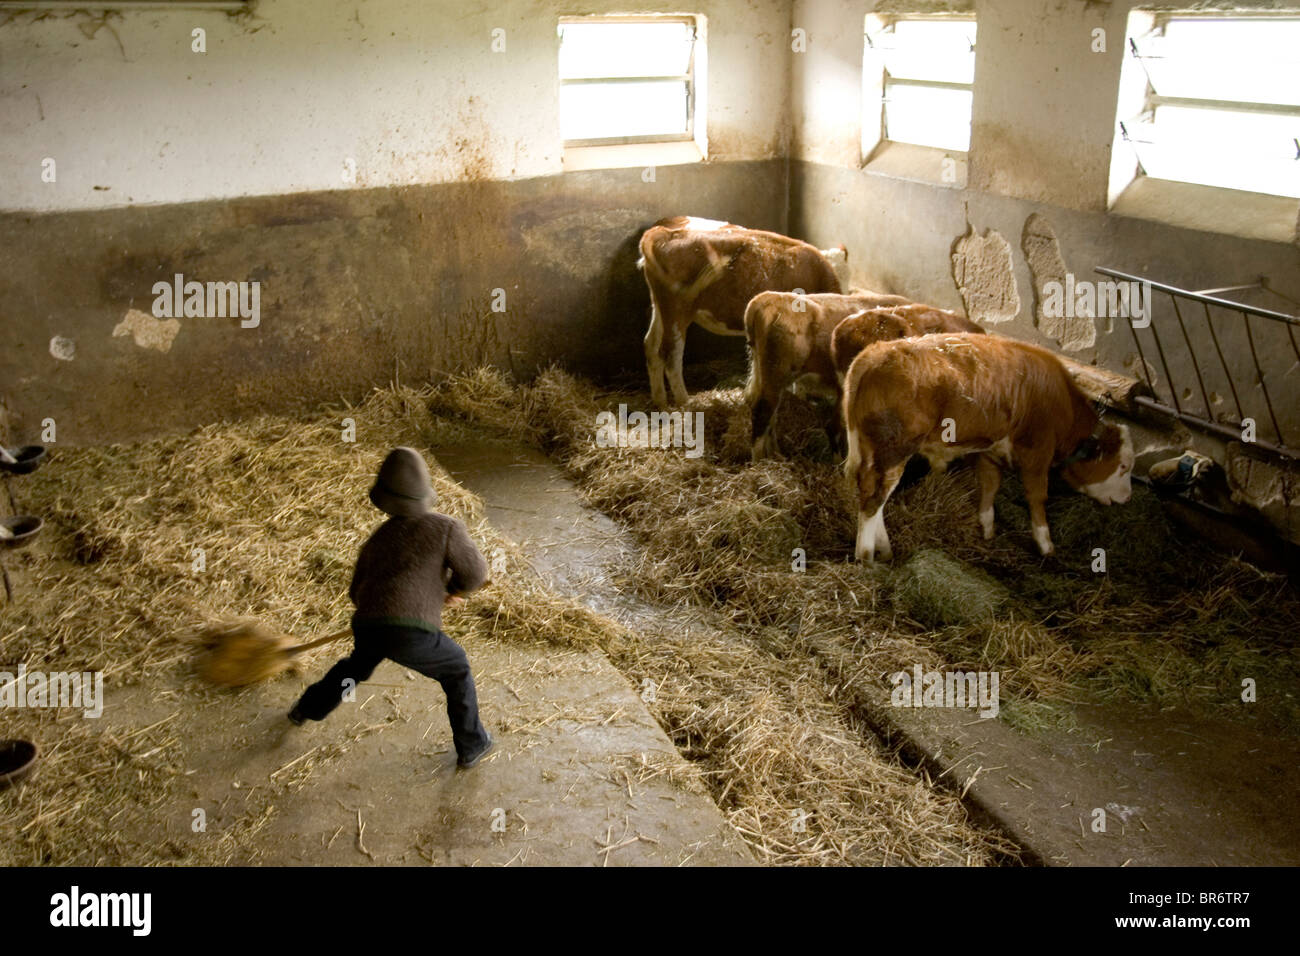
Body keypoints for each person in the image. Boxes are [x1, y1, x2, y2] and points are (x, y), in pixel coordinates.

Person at [289, 446, 494, 769]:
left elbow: (356, 591)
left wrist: (380, 610)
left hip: (369, 623)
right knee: (457, 669)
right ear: (426, 492)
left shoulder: (378, 538)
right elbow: (476, 573)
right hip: (410, 632)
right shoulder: (445, 527)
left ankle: (305, 709)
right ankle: (472, 744)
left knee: (354, 668)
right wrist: (455, 590)